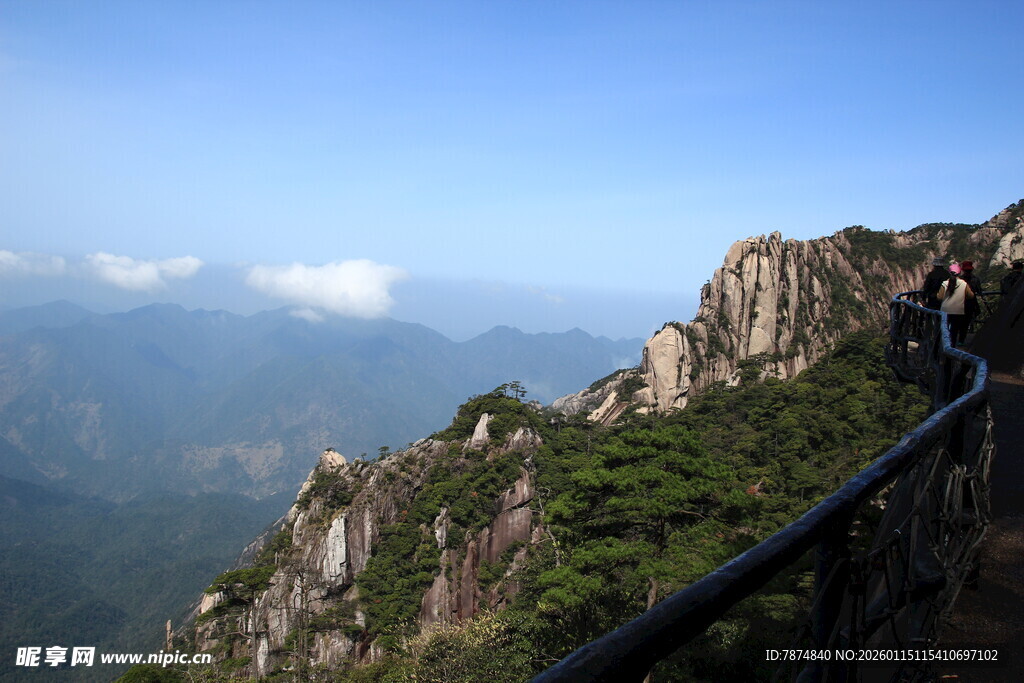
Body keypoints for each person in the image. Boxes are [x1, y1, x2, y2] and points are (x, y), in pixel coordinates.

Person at [938, 263, 975, 346]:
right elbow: (971, 295)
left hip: (945, 310)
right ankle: (952, 348)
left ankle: (943, 346)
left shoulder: (944, 283)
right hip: (958, 310)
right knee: (954, 331)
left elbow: (939, 297)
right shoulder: (963, 284)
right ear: (959, 273)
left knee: (944, 330)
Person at [960, 260, 983, 331]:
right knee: (971, 317)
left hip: (961, 302)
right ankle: (970, 329)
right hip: (972, 301)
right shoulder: (975, 279)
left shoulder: (960, 280)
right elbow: (979, 291)